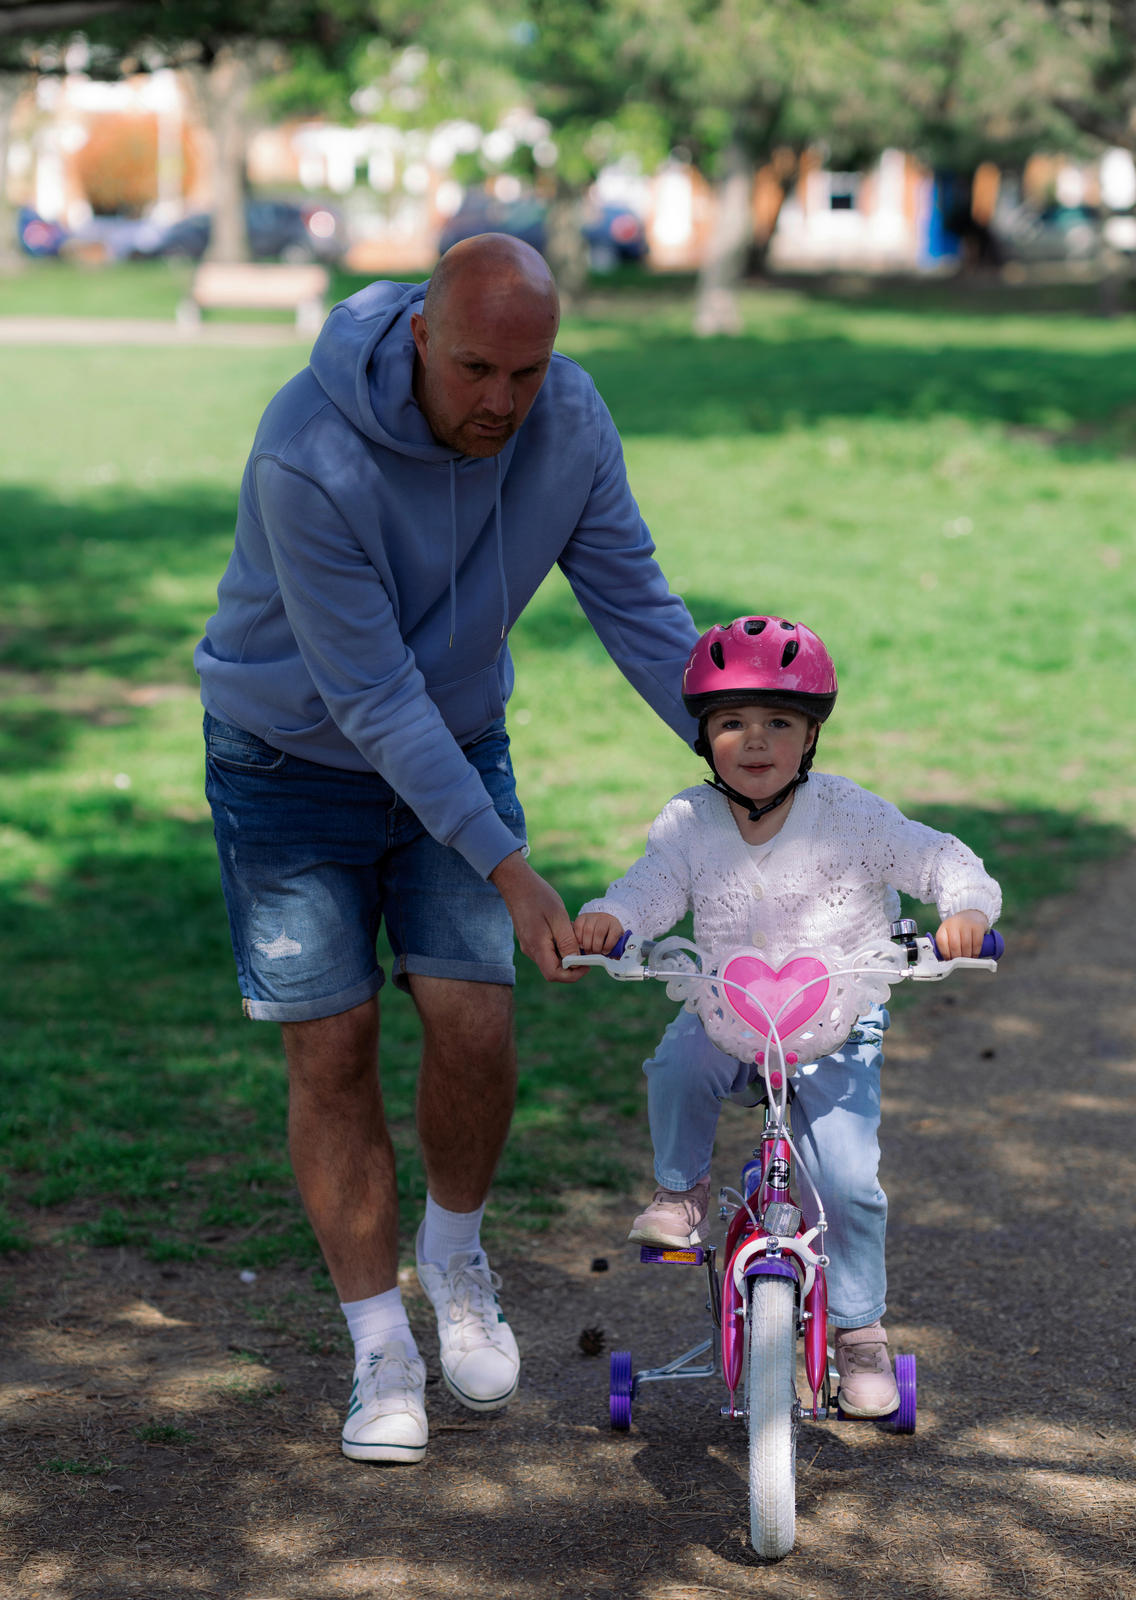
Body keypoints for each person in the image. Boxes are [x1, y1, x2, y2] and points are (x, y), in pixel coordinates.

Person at [196, 234, 699, 1464]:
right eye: (478, 369)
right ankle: (379, 1346)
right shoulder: (305, 452)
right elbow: (370, 699)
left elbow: (632, 599)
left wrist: (750, 745)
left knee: (476, 1027)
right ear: (421, 333)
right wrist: (507, 863)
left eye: (527, 372)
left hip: (457, 740)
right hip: (290, 761)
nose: (502, 403)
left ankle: (456, 1257)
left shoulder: (564, 417)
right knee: (337, 1045)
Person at [572, 615, 1001, 1417]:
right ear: (704, 739)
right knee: (679, 1063)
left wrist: (966, 909)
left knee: (846, 1181)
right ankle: (680, 1193)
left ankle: (858, 1329)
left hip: (835, 1017)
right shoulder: (690, 822)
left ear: (811, 736)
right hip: (730, 1009)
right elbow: (650, 887)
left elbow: (940, 859)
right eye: (732, 722)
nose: (756, 740)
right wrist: (613, 918)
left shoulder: (853, 816)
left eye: (779, 722)